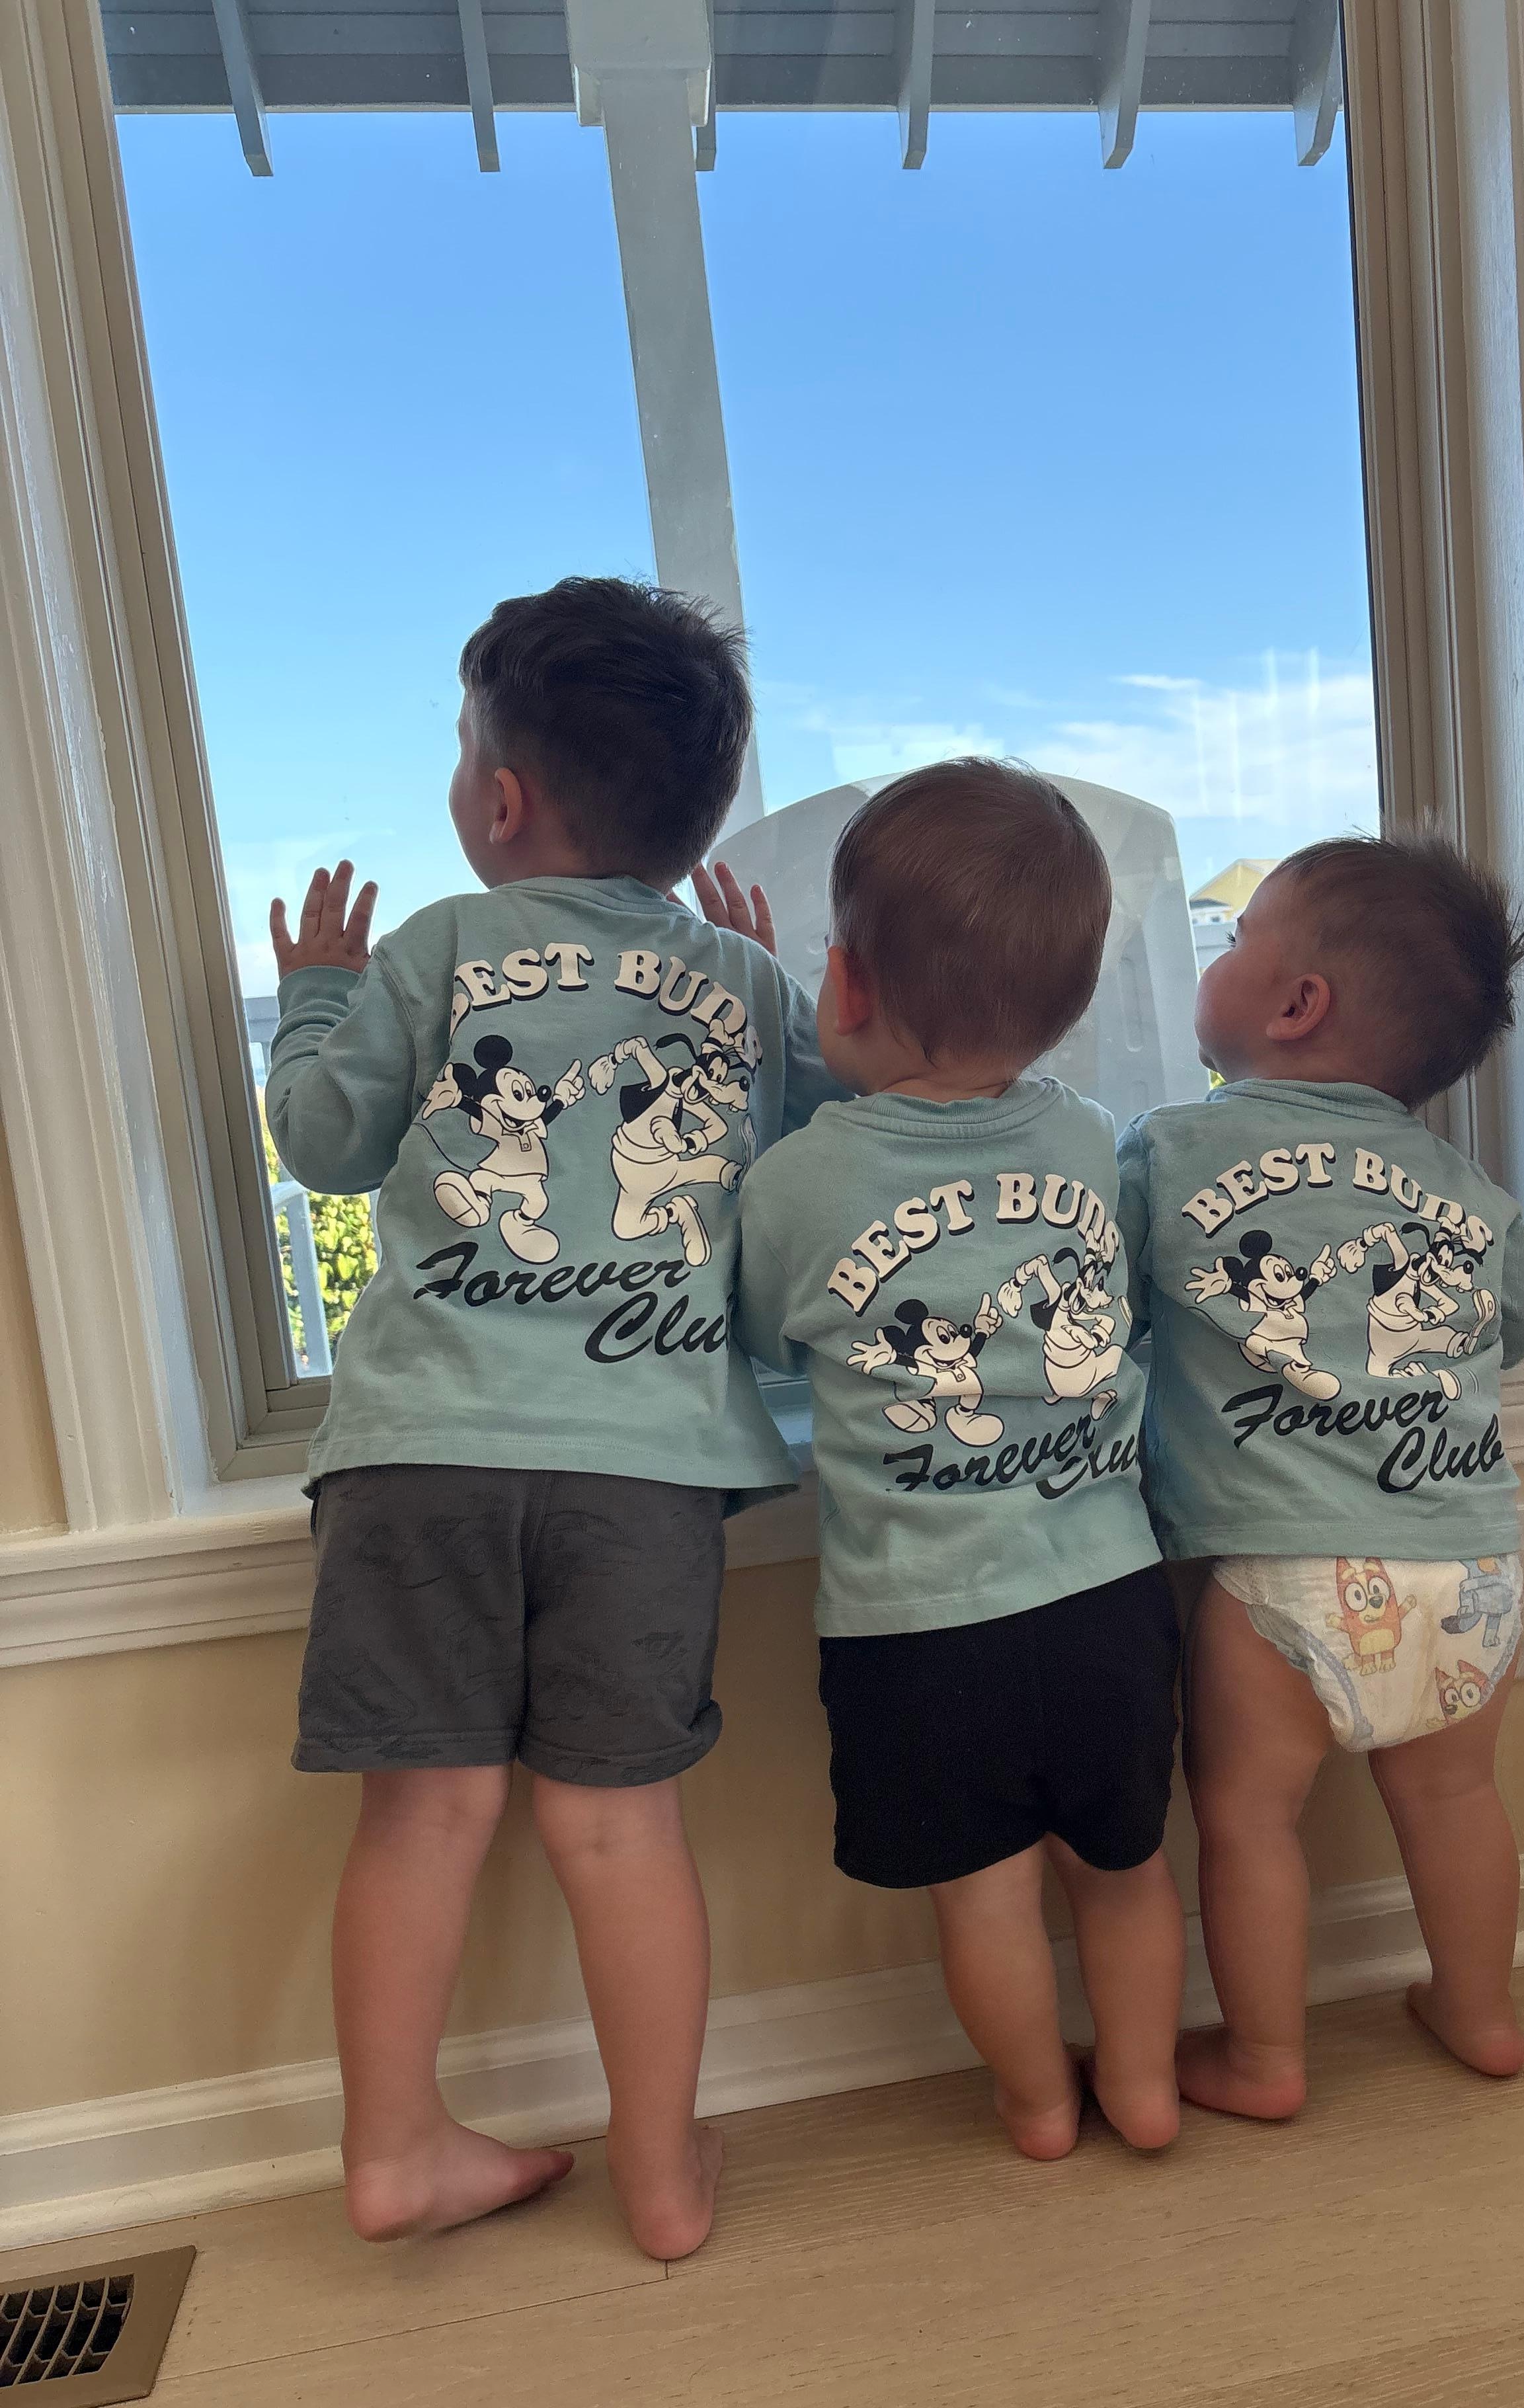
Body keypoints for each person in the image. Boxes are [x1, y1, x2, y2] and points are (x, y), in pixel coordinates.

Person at [266, 577, 837, 2256]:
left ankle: (393, 2153)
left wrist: (314, 991)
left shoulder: (437, 947)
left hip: (419, 1455)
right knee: (619, 1823)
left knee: (424, 1813)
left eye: (465, 750)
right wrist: (764, 981)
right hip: (644, 1469)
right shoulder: (740, 980)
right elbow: (811, 1148)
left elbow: (323, 1142)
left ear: (498, 800)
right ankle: (661, 2182)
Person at [735, 760, 1186, 2161]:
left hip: (916, 1631)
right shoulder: (1093, 1140)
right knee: (1125, 1876)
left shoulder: (798, 1183)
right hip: (1113, 1598)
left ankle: (1040, 2106)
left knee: (984, 1900)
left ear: (845, 988)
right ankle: (1152, 2093)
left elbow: (758, 1332)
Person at [1117, 831, 1524, 2119]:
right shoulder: (1467, 1188)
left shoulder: (1170, 1149)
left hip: (1285, 1567)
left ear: (1294, 1003)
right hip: (1469, 1559)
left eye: (1240, 934)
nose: (1221, 953)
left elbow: (1103, 1302)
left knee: (1250, 1819)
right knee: (1458, 1796)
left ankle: (1264, 2061)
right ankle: (1479, 2013)